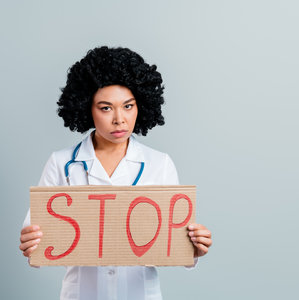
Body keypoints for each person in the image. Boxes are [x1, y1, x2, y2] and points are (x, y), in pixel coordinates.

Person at [19, 46, 212, 300]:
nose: (119, 119)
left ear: (140, 105)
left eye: (128, 106)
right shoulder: (61, 163)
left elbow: (171, 244)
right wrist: (30, 242)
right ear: (87, 108)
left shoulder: (160, 163)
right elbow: (36, 241)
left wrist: (193, 248)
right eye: (106, 108)